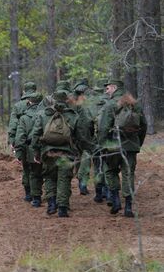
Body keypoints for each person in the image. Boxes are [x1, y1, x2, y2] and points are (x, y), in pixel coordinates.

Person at [30, 90, 94, 217]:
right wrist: (88, 149)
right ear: (66, 101)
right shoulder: (73, 115)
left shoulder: (44, 114)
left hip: (48, 153)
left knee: (49, 177)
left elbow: (35, 135)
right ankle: (63, 208)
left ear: (53, 100)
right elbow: (81, 137)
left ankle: (52, 204)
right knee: (64, 179)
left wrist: (36, 152)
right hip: (67, 153)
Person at [97, 79, 148, 217]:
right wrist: (138, 143)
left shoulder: (110, 104)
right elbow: (144, 125)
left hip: (113, 146)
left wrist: (103, 146)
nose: (106, 91)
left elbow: (103, 128)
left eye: (107, 88)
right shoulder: (134, 104)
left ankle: (115, 201)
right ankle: (129, 207)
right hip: (131, 146)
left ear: (114, 88)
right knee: (128, 174)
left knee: (110, 171)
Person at [8, 81, 37, 202]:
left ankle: (28, 193)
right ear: (35, 90)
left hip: (22, 140)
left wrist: (12, 140)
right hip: (36, 141)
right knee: (36, 168)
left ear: (24, 91)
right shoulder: (40, 103)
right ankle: (37, 195)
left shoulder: (18, 106)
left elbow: (13, 124)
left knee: (25, 167)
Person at [14, 92, 44, 207]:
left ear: (29, 102)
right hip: (47, 149)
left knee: (34, 173)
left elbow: (20, 138)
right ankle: (53, 200)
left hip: (31, 150)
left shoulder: (24, 118)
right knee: (49, 174)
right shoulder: (46, 114)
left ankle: (36, 198)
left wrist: (19, 154)